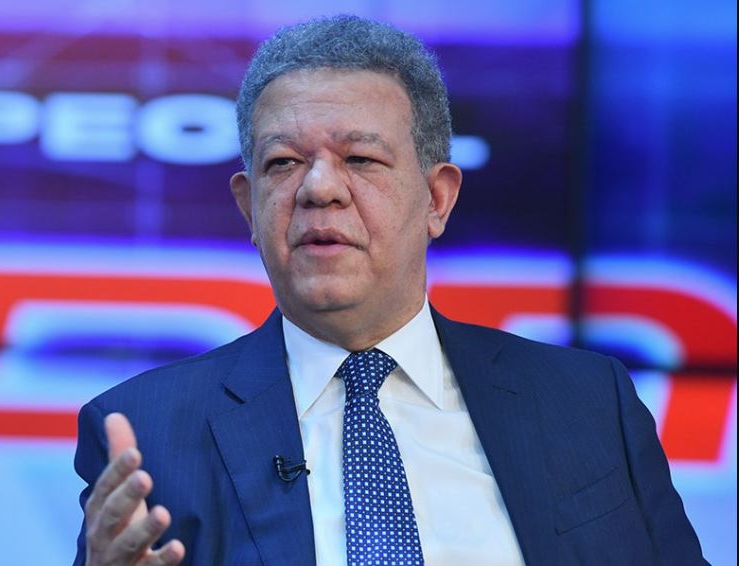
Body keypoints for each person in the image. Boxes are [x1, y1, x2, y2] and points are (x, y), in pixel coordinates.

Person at [73, 15, 707, 566]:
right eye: (284, 162)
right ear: (249, 208)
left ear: (437, 199)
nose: (319, 188)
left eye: (361, 159)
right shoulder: (148, 435)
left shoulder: (588, 403)